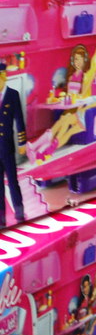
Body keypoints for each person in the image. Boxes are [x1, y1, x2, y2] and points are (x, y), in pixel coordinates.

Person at [0, 63, 26, 227]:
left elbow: (19, 120)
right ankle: (1, 218)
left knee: (13, 181)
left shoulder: (12, 95)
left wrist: (22, 141)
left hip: (7, 147)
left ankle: (20, 213)